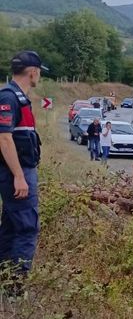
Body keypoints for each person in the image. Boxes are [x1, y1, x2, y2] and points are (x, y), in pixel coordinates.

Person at [0, 51, 47, 280]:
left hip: (19, 172)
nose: (39, 76)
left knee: (11, 227)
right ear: (33, 72)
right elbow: (4, 138)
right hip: (15, 174)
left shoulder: (17, 97)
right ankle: (15, 287)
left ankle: (4, 279)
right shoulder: (9, 97)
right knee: (27, 228)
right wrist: (19, 175)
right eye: (39, 72)